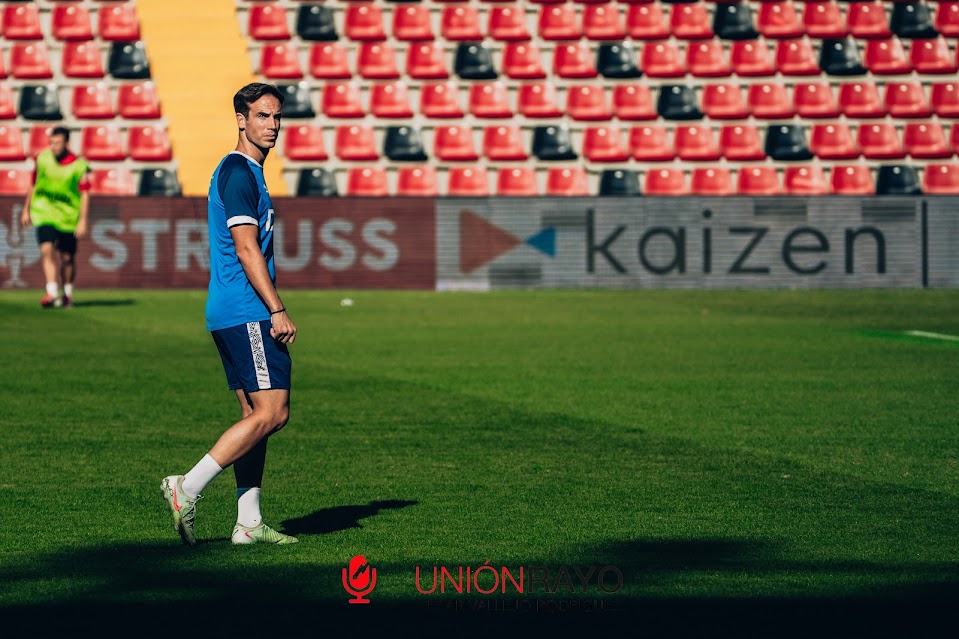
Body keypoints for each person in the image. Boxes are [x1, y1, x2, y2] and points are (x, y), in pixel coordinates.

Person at [161, 83, 298, 546]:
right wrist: (276, 308)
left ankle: (248, 522)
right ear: (241, 119)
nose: (272, 125)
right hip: (247, 311)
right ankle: (188, 486)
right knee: (273, 412)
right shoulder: (239, 172)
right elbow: (244, 247)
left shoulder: (245, 172)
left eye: (277, 117)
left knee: (251, 414)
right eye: (262, 116)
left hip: (226, 311)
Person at [20, 126, 91, 308]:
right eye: (51, 143)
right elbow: (33, 184)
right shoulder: (42, 159)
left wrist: (83, 220)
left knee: (67, 258)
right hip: (44, 212)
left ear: (67, 143)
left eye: (58, 143)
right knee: (47, 250)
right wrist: (26, 209)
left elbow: (84, 193)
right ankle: (51, 293)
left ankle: (67, 293)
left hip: (68, 217)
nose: (54, 147)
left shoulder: (79, 166)